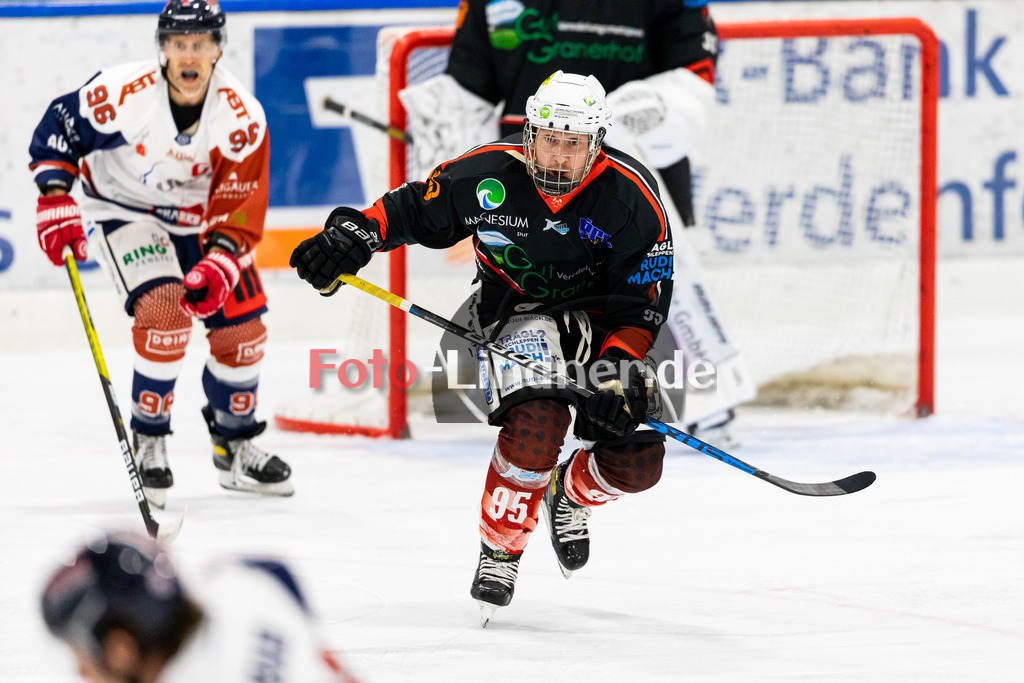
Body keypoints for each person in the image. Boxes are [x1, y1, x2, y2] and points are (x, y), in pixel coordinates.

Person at [292, 71, 671, 625]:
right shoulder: (487, 174)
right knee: (538, 423)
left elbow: (641, 302)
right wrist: (353, 235)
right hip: (517, 311)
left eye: (574, 143)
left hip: (607, 325)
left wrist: (619, 370)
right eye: (549, 139)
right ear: (528, 135)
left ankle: (569, 492)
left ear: (597, 143)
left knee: (637, 459)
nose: (559, 156)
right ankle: (503, 546)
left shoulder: (631, 199)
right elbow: (409, 211)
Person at [398, 0, 755, 442]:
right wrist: (446, 141)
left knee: (641, 296)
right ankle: (548, 415)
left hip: (626, 176)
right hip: (529, 183)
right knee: (541, 308)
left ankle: (703, 398)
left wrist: (653, 107)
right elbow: (471, 85)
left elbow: (694, 76)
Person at [28, 0, 292, 506]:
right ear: (162, 49)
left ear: (218, 49)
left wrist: (218, 261)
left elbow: (239, 205)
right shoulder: (126, 93)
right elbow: (60, 124)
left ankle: (234, 445)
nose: (188, 55)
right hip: (127, 212)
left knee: (243, 331)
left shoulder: (241, 116)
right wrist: (56, 195)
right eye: (177, 44)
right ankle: (149, 435)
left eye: (199, 44)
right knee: (165, 314)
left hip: (202, 224)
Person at [40, 531, 361, 682]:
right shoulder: (243, 579)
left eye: (80, 652)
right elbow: (280, 574)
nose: (80, 672)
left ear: (121, 649)